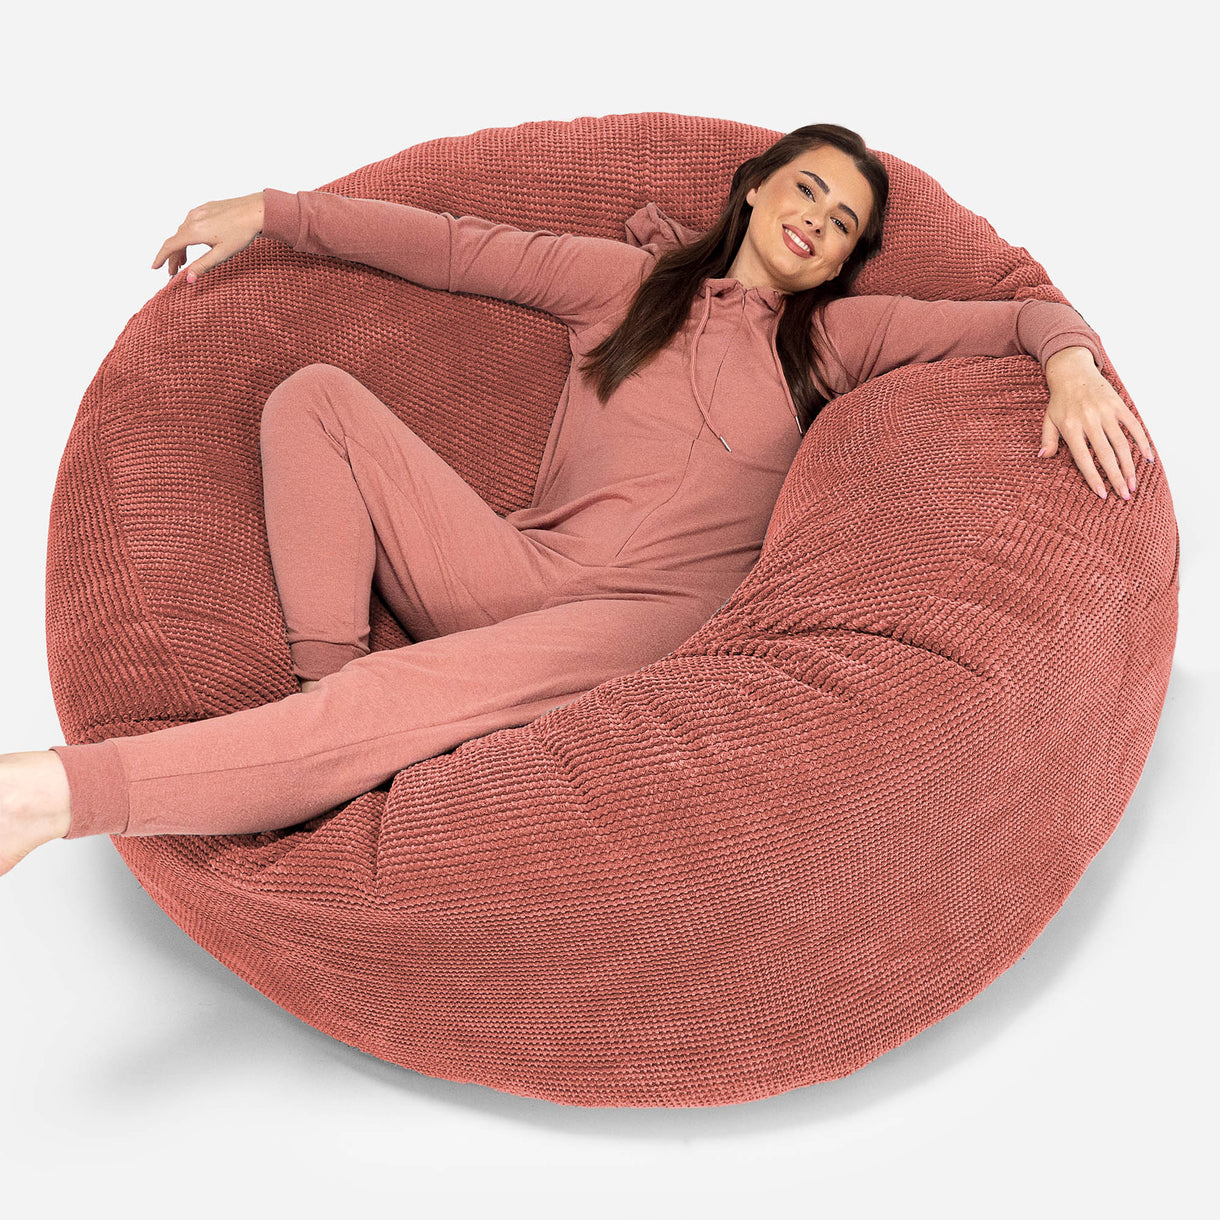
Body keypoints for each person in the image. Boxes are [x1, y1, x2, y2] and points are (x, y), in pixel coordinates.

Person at [0, 123, 1152, 876]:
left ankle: (53, 794)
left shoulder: (833, 342)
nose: (815, 219)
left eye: (841, 222)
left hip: (639, 621)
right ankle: (322, 698)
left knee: (398, 696)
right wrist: (277, 209)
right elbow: (455, 247)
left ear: (840, 259)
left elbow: (1017, 310)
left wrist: (1068, 365)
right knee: (314, 397)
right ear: (753, 190)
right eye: (805, 188)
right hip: (520, 568)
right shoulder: (625, 283)